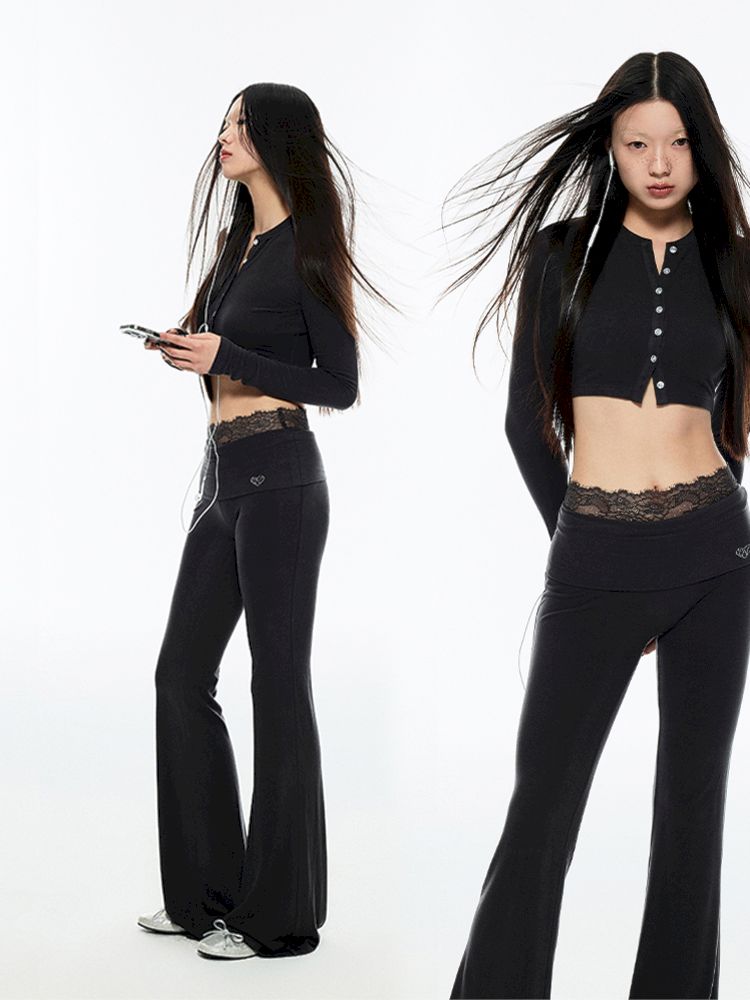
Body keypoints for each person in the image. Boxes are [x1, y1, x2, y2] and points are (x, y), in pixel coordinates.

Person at [440, 51, 750, 998]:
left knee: (692, 815)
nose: (659, 163)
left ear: (702, 148)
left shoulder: (738, 263)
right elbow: (523, 425)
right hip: (593, 559)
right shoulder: (561, 254)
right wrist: (577, 544)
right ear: (610, 147)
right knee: (542, 808)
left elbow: (736, 427)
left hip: (718, 561)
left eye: (678, 143)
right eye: (637, 142)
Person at [136, 82, 390, 961]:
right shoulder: (234, 248)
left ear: (278, 140)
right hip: (222, 480)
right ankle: (204, 898)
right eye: (224, 122)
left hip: (282, 480)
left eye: (242, 125)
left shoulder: (307, 247)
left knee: (276, 686)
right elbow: (226, 355)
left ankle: (279, 918)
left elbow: (340, 384)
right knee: (179, 675)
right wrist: (188, 350)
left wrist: (230, 355)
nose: (225, 135)